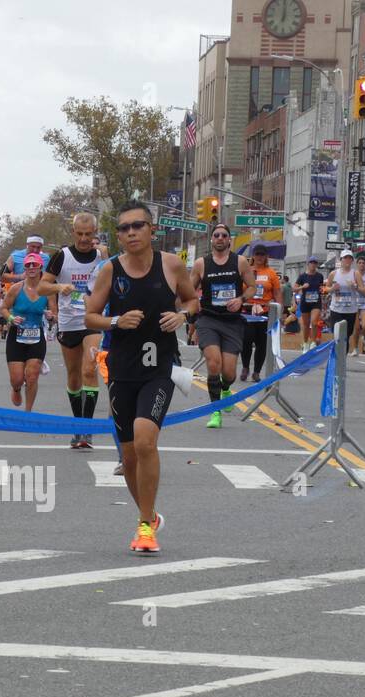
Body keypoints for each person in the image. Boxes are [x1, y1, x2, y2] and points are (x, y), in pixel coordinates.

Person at [85, 200, 198, 554]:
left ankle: (145, 527)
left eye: (138, 226)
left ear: (152, 230)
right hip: (122, 369)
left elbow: (193, 301)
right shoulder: (110, 270)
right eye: (124, 228)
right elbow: (90, 316)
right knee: (130, 456)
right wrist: (116, 321)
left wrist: (182, 316)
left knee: (145, 439)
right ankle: (148, 515)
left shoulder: (171, 265)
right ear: (118, 235)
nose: (131, 232)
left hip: (160, 368)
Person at [40, 212, 106, 448]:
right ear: (73, 232)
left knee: (90, 369)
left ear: (95, 233)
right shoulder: (62, 256)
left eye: (89, 234)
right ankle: (77, 425)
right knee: (74, 375)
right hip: (68, 322)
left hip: (93, 321)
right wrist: (60, 286)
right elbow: (42, 287)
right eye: (80, 234)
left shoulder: (102, 255)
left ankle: (86, 430)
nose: (84, 239)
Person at [191, 222, 255, 428]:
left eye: (224, 235)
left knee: (229, 372)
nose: (220, 238)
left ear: (229, 239)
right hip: (208, 319)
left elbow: (253, 287)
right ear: (211, 239)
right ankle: (215, 411)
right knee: (213, 363)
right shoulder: (201, 264)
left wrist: (241, 299)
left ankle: (226, 387)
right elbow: (188, 290)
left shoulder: (240, 262)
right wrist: (191, 309)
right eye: (216, 235)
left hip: (231, 321)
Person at [2, 253, 50, 411]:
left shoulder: (47, 290)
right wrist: (10, 319)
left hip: (37, 337)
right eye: (28, 265)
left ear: (40, 267)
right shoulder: (16, 289)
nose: (31, 268)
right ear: (24, 267)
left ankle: (28, 413)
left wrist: (50, 315)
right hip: (16, 336)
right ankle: (16, 389)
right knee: (17, 379)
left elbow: (54, 313)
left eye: (34, 265)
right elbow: (4, 309)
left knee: (32, 375)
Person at [240, 243, 280, 382]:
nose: (259, 257)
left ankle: (256, 371)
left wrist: (280, 310)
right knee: (246, 339)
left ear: (266, 257)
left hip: (264, 311)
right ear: (253, 256)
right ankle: (245, 367)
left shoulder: (271, 273)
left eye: (262, 254)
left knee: (261, 343)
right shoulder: (247, 271)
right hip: (248, 310)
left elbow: (277, 293)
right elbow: (240, 289)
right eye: (257, 254)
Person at [324, 250, 364, 354]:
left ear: (352, 261)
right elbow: (326, 289)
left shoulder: (356, 274)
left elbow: (362, 289)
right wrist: (332, 288)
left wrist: (355, 286)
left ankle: (343, 356)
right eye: (345, 258)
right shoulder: (333, 273)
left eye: (349, 258)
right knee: (337, 333)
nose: (347, 260)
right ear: (341, 260)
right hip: (336, 308)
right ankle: (337, 355)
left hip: (350, 310)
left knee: (347, 334)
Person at [292, 256, 325, 344]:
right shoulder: (302, 276)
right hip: (305, 302)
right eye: (311, 263)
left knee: (314, 323)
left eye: (315, 263)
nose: (313, 265)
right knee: (306, 325)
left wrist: (323, 290)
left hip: (316, 302)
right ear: (308, 264)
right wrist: (302, 286)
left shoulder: (320, 276)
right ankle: (306, 343)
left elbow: (321, 287)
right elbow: (294, 288)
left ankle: (313, 343)